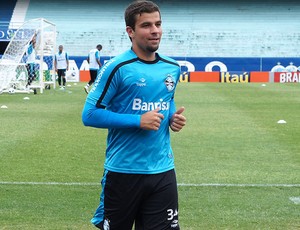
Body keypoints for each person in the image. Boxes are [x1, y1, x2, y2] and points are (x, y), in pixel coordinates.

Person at [82, 1, 186, 229]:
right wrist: (138, 120)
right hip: (123, 171)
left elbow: (166, 99)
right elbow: (89, 114)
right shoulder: (117, 67)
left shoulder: (172, 67)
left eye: (158, 24)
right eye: (146, 25)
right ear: (131, 31)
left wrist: (171, 117)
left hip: (163, 170)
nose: (155, 30)